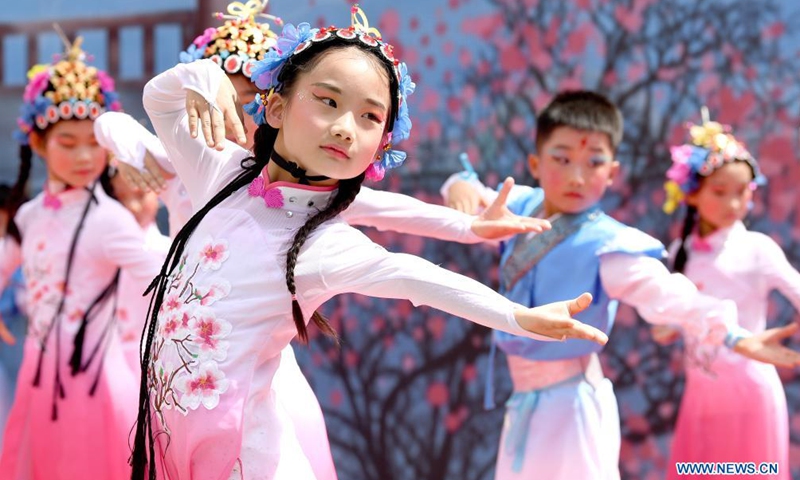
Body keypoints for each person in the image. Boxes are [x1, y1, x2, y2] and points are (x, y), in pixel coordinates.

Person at [130, 7, 609, 479]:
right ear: (274, 106)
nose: (345, 127)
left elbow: (415, 276)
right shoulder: (217, 174)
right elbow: (158, 99)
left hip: (247, 461)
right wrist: (202, 77)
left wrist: (517, 316)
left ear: (380, 147)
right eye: (328, 101)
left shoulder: (324, 244)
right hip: (170, 441)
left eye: (369, 117)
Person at [441, 90, 800, 480]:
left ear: (612, 172)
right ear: (535, 164)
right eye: (562, 159)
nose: (577, 177)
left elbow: (668, 293)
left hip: (573, 405)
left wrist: (734, 336)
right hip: (524, 401)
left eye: (594, 162)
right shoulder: (520, 207)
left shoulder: (609, 246)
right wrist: (459, 185)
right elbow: (475, 195)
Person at [0, 37, 164, 479]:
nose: (84, 156)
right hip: (39, 375)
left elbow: (166, 287)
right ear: (38, 143)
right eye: (68, 143)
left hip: (96, 378)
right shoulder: (30, 216)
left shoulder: (111, 220)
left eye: (93, 143)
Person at [656, 118, 797, 479]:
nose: (732, 203)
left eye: (742, 191)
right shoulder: (681, 251)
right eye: (719, 192)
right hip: (701, 396)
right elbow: (665, 323)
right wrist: (670, 324)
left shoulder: (758, 248)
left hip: (751, 393)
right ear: (691, 193)